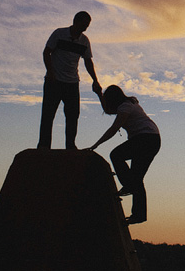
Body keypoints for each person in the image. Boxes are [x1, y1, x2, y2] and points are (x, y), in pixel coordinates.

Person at [88, 85, 161, 225]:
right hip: (152, 139)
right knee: (137, 178)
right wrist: (99, 94)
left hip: (145, 138)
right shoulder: (130, 104)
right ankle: (138, 215)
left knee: (116, 155)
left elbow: (114, 128)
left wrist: (96, 144)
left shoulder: (126, 107)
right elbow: (108, 110)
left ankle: (128, 186)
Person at [37, 11, 102, 149]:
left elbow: (88, 61)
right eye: (84, 25)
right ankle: (43, 146)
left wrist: (95, 80)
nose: (85, 28)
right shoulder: (59, 34)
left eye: (87, 26)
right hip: (54, 81)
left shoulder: (84, 40)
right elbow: (46, 52)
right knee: (48, 115)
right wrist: (51, 72)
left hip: (72, 83)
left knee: (73, 115)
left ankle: (70, 145)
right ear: (76, 22)